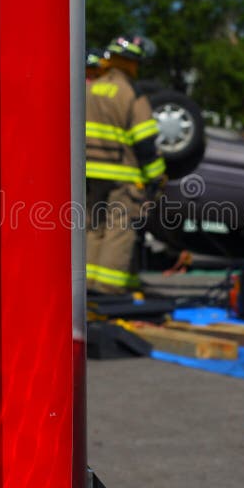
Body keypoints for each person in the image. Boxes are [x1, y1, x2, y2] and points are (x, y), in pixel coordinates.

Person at [85, 36, 166, 294]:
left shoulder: (89, 89)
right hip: (122, 175)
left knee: (92, 229)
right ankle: (108, 290)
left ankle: (86, 288)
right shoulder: (131, 94)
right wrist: (156, 176)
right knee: (119, 230)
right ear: (132, 64)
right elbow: (144, 143)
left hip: (86, 173)